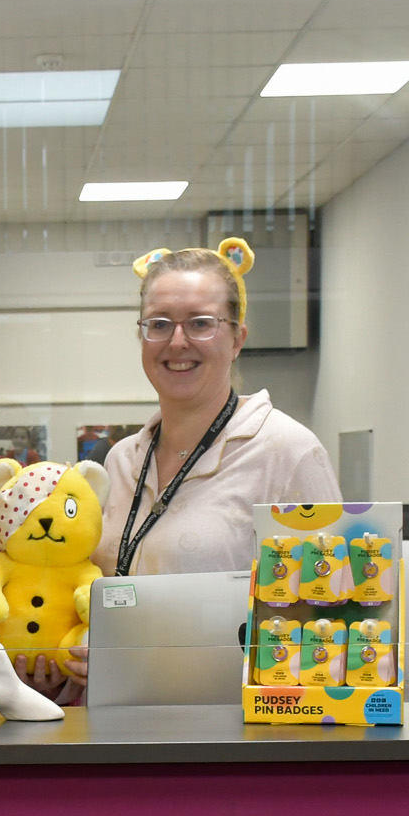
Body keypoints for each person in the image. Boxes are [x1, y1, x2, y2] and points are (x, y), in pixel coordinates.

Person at [93, 237, 341, 578]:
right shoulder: (120, 461)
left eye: (200, 323)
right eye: (159, 324)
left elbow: (331, 595)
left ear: (237, 339)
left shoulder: (288, 453)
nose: (177, 342)